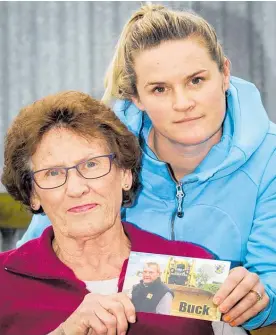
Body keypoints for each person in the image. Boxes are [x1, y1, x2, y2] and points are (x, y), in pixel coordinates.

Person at [17, 3, 276, 332]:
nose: (183, 104)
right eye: (159, 89)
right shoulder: (97, 156)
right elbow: (28, 266)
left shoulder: (271, 157)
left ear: (224, 73)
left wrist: (257, 300)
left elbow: (270, 283)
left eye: (196, 80)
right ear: (136, 97)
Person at [0, 91, 216, 335]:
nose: (76, 188)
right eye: (53, 173)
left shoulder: (185, 268)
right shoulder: (4, 280)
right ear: (33, 194)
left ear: (125, 174)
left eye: (91, 165)